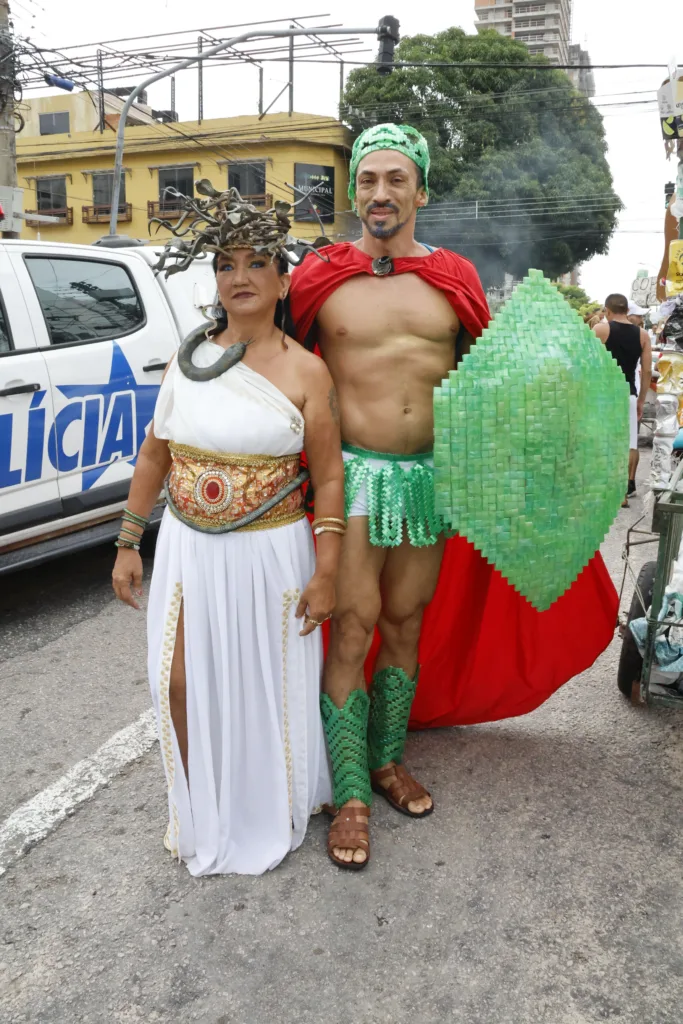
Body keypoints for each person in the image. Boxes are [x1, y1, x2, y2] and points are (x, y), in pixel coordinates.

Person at [289, 123, 619, 870]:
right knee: (352, 626)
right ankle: (347, 795)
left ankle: (386, 760)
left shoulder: (455, 279)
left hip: (430, 480)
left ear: (420, 191)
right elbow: (279, 365)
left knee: (404, 623)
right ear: (353, 192)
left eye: (395, 180)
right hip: (353, 477)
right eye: (367, 180)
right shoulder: (319, 276)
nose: (379, 192)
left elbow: (490, 380)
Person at [112, 189, 344, 876]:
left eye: (254, 262)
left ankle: (258, 809)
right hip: (187, 549)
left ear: (281, 279)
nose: (238, 276)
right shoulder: (187, 362)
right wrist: (128, 541)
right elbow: (156, 454)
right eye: (224, 263)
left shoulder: (307, 370)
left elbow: (328, 478)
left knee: (261, 687)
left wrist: (326, 570)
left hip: (272, 552)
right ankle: (197, 809)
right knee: (176, 684)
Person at [594, 294, 652, 505]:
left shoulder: (601, 330)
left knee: (602, 442)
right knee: (627, 444)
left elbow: (587, 362)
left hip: (604, 394)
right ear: (627, 310)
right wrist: (640, 400)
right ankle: (623, 494)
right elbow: (647, 371)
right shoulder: (643, 335)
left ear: (607, 311)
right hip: (628, 393)